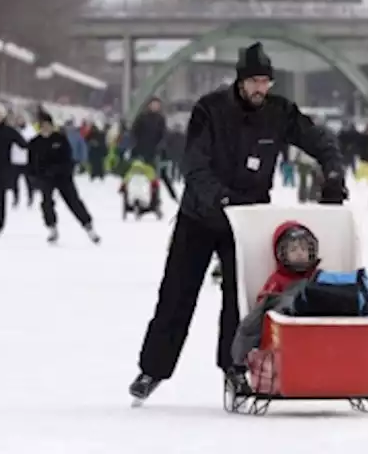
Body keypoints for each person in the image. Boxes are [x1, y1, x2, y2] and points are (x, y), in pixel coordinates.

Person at [129, 42, 345, 406]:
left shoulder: (280, 112)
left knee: (240, 301)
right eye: (255, 81)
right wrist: (221, 197)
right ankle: (153, 369)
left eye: (266, 82)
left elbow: (318, 139)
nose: (261, 89)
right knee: (177, 295)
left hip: (247, 223)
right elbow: (194, 165)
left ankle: (235, 368)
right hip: (200, 216)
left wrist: (334, 170)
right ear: (241, 81)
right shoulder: (210, 110)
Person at [230, 222, 321, 374]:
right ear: (282, 254)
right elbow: (264, 304)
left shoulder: (318, 276)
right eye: (293, 249)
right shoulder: (277, 279)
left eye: (304, 249)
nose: (300, 253)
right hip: (285, 336)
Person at [28, 112, 101, 245]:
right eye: (42, 126)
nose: (45, 128)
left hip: (63, 176)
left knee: (73, 201)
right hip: (45, 178)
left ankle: (88, 226)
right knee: (46, 203)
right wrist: (34, 177)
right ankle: (52, 228)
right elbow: (31, 162)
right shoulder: (35, 142)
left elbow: (68, 158)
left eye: (47, 125)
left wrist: (62, 170)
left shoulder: (60, 139)